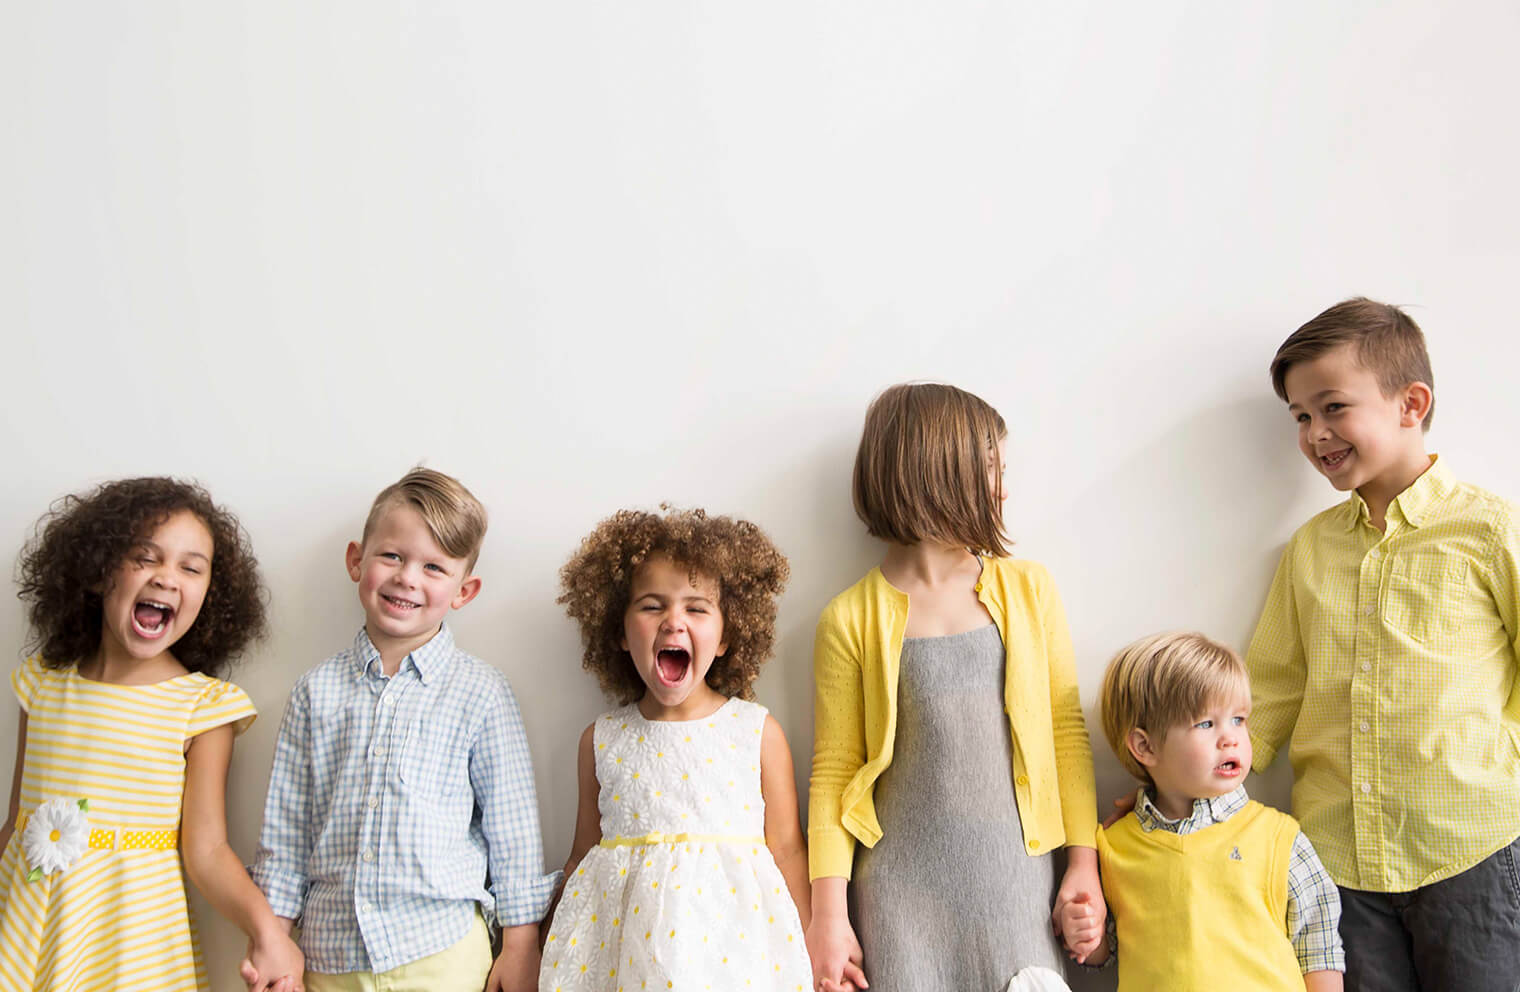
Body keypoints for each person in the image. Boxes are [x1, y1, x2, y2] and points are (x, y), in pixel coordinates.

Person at [1248, 298, 1520, 990]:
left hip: (1471, 846)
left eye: (1333, 407)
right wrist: (1180, 786)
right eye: (1302, 417)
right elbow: (1271, 690)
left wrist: (1497, 762)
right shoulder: (1309, 550)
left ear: (1411, 402)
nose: (1315, 433)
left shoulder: (1486, 531)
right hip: (1339, 865)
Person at [807, 381, 1102, 992]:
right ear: (936, 472)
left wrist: (1083, 864)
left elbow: (1065, 733)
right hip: (898, 898)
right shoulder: (849, 618)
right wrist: (828, 916)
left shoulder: (1028, 590)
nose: (1003, 484)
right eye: (990, 465)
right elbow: (835, 770)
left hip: (1017, 882)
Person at [246, 468, 556, 992]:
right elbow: (287, 834)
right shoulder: (314, 692)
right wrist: (274, 941)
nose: (408, 578)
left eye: (434, 567)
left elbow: (514, 833)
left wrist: (521, 946)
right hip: (329, 955)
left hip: (443, 953)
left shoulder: (480, 692)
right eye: (392, 556)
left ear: (464, 590)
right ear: (356, 561)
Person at [0, 477, 303, 991]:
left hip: (130, 942)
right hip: (25, 931)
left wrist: (267, 931)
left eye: (190, 567)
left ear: (210, 594)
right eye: (145, 557)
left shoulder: (201, 707)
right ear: (98, 572)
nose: (167, 577)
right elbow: (15, 824)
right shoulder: (42, 686)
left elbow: (206, 851)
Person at [541, 506, 812, 990]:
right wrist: (540, 945)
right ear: (622, 635)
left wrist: (812, 951)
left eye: (696, 607)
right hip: (621, 961)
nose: (673, 621)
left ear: (727, 635)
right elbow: (583, 855)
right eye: (651, 605)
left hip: (733, 958)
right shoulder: (601, 740)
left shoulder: (757, 732)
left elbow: (788, 851)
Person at [1062, 631, 1343, 990]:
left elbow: (1319, 948)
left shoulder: (1279, 838)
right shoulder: (1113, 846)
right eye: (1206, 724)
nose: (1231, 738)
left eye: (1239, 719)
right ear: (1145, 747)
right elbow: (1109, 951)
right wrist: (1087, 935)